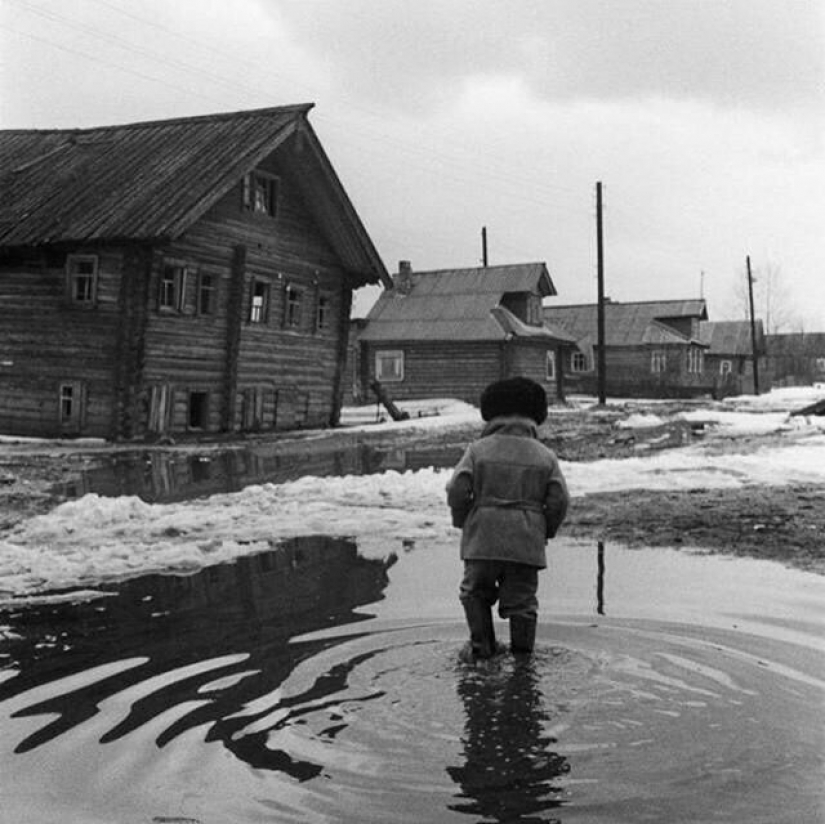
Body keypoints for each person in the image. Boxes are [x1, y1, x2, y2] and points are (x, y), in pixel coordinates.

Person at [446, 376, 569, 660]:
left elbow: (457, 489)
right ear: (537, 415)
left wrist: (463, 519)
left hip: (482, 540)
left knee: (475, 592)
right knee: (523, 602)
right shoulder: (545, 456)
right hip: (526, 543)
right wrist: (544, 529)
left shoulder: (477, 451)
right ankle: (523, 659)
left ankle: (482, 648)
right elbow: (559, 499)